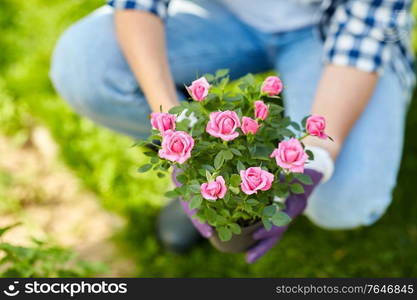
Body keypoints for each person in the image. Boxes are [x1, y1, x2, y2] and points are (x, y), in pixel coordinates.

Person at [50, 0, 415, 263]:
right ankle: (218, 180)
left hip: (330, 23)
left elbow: (363, 36)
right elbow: (138, 5)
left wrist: (316, 158)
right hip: (221, 12)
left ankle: (271, 163)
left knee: (343, 202)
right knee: (86, 67)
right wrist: (180, 133)